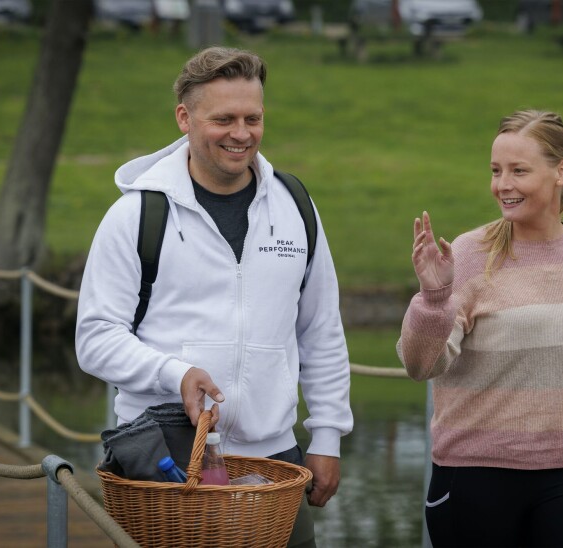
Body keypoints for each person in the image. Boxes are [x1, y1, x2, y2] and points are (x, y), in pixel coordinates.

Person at [75, 46, 353, 547]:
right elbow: (95, 338)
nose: (241, 133)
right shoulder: (136, 216)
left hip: (276, 461)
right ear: (184, 117)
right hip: (167, 461)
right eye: (223, 119)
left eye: (253, 117)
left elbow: (321, 329)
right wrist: (174, 373)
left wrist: (328, 436)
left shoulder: (296, 207)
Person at [397, 110, 563, 547]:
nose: (503, 185)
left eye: (519, 171)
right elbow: (420, 366)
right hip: (474, 479)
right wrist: (433, 299)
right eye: (496, 171)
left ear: (561, 171)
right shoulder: (468, 252)